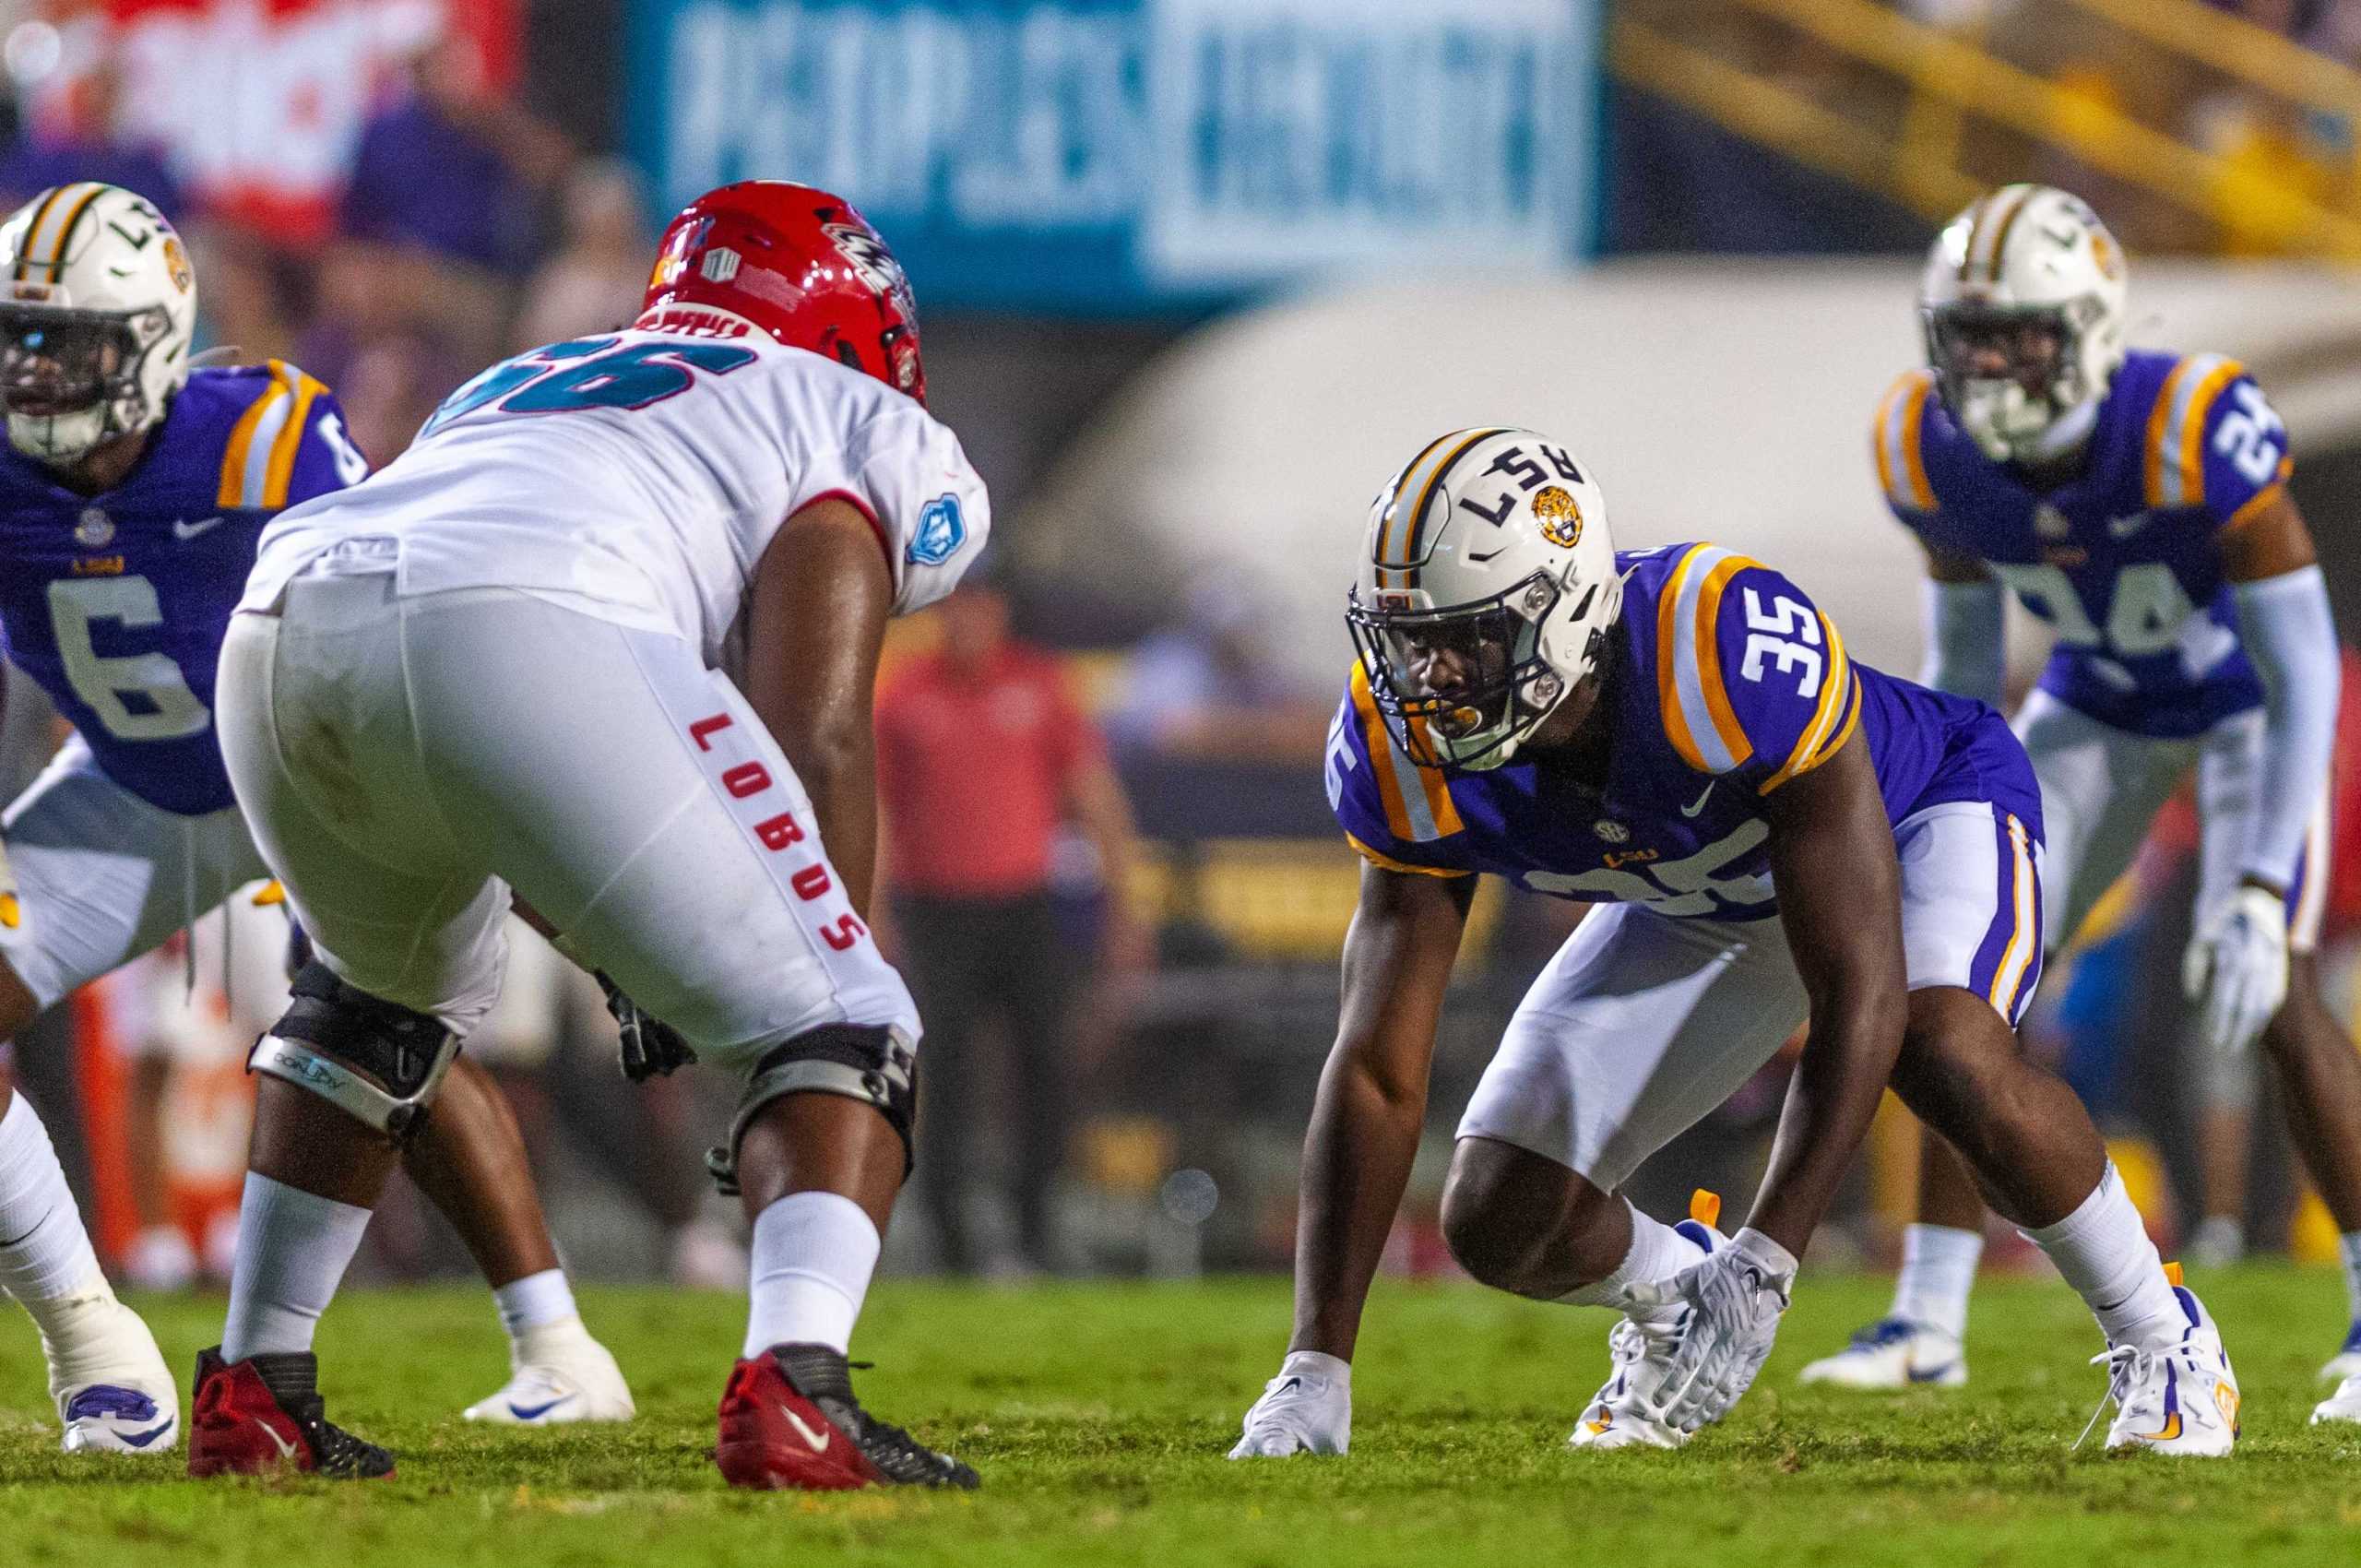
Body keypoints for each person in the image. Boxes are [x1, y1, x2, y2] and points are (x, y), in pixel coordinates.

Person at [1229, 428, 2237, 1460]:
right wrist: (1316, 1367)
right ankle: (1673, 1299)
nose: (1426, 677)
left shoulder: (1711, 641)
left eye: (1465, 638)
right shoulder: (1395, 751)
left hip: (1918, 814)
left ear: (1562, 608)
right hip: (1704, 888)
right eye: (1407, 641)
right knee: (1501, 1214)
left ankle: (2164, 1333)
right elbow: (1379, 1068)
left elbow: (1860, 993)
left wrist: (1767, 1261)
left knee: (1943, 1049)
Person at [192, 180, 987, 1490]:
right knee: (851, 1016)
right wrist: (804, 999)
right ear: (856, 318)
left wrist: (650, 953)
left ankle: (256, 1389)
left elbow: (503, 775)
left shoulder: (524, 376)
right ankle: (800, 1387)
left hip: (287, 620)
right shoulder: (837, 408)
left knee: (367, 1002)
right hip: (527, 626)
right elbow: (820, 731)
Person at [0, 183, 630, 1454]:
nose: (37, 369)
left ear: (153, 343)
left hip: (304, 773)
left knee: (386, 1030)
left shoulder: (260, 436)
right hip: (135, 786)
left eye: (66, 340)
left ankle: (556, 1344)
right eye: (17, 337)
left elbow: (378, 602)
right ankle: (96, 1354)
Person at [1803, 184, 2361, 1425]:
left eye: (2023, 337)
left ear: (2094, 329)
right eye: (1972, 338)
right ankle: (1930, 1319)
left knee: (2273, 979)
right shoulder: (1928, 448)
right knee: (1948, 982)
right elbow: (1958, 664)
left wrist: (2264, 877)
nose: (1992, 365)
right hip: (2095, 707)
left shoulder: (2188, 424)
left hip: (2242, 710)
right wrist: (1935, 821)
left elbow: (2303, 659)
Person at [875, 574, 1145, 1274]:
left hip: (1025, 905)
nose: (969, 618)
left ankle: (1036, 1228)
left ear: (1000, 612)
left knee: (1044, 1066)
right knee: (947, 1075)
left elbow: (1094, 797)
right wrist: (870, 915)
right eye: (957, 604)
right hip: (935, 909)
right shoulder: (905, 695)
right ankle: (951, 1240)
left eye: (982, 604)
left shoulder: (1040, 684)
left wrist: (1125, 903)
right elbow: (876, 812)